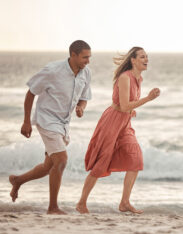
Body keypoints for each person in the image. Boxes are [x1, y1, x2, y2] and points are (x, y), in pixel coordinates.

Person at [9, 40, 92, 214]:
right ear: (73, 55)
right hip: (46, 119)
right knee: (61, 160)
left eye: (89, 57)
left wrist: (81, 108)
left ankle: (18, 180)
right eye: (85, 57)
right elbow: (31, 92)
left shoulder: (86, 73)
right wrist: (26, 121)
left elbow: (84, 97)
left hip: (64, 124)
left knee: (49, 166)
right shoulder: (52, 71)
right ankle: (53, 207)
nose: (88, 61)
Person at [76, 47, 160, 214]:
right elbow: (123, 105)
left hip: (125, 122)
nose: (146, 59)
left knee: (135, 158)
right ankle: (81, 203)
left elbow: (128, 105)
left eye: (147, 57)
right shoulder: (124, 77)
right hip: (112, 122)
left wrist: (131, 110)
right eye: (142, 57)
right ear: (133, 60)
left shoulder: (139, 79)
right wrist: (148, 99)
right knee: (101, 162)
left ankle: (124, 202)